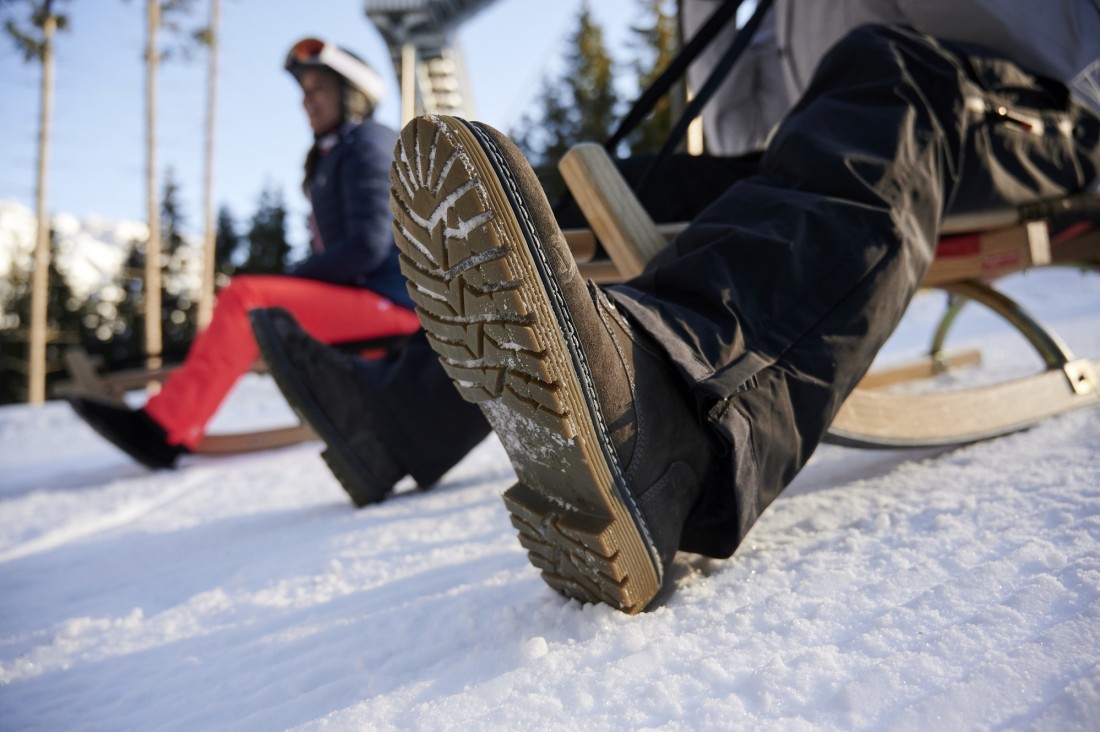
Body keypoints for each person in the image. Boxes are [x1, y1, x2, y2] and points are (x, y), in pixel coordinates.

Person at [254, 0, 1099, 609]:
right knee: (601, 189)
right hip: (854, 113)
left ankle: (669, 428)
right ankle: (394, 420)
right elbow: (741, 124)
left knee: (887, 67)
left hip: (1029, 105)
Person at [67, 38, 421, 490]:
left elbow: (369, 246)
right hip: (370, 299)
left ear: (353, 94)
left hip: (391, 304)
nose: (307, 100)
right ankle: (176, 415)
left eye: (319, 88)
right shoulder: (337, 151)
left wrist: (289, 281)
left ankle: (163, 430)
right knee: (248, 301)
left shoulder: (367, 142)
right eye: (304, 90)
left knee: (249, 298)